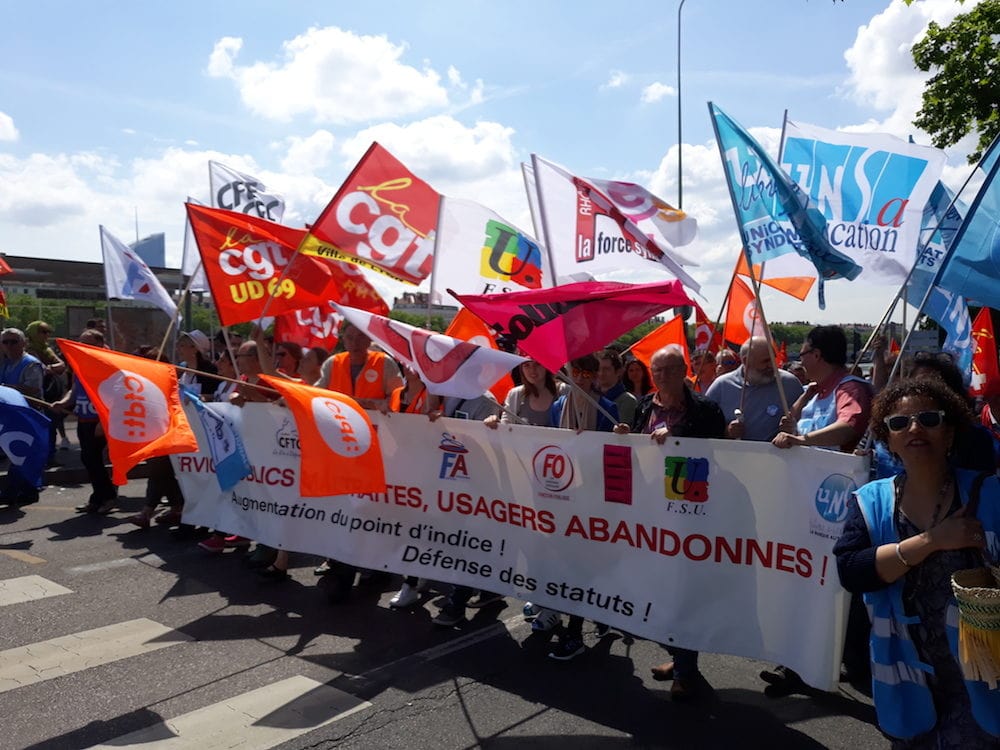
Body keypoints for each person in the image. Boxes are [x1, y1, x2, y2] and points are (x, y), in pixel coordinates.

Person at [834, 378, 1000, 747]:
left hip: (985, 676)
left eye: (928, 418)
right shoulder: (870, 501)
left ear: (950, 432)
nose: (914, 428)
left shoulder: (990, 492)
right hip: (907, 677)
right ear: (887, 439)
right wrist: (932, 541)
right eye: (898, 423)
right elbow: (852, 570)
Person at [771, 325, 875, 694]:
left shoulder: (849, 389)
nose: (801, 360)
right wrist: (799, 410)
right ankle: (807, 662)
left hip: (839, 508)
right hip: (813, 506)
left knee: (837, 589)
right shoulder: (818, 393)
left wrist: (802, 439)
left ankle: (852, 666)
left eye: (805, 353)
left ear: (819, 355)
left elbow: (848, 426)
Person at [433, 358, 566, 627]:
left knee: (548, 546)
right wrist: (495, 423)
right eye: (526, 365)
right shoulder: (515, 395)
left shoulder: (564, 393)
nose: (531, 370)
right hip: (518, 482)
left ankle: (552, 602)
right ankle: (537, 595)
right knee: (522, 543)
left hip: (554, 485)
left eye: (537, 364)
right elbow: (505, 430)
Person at [633, 344, 726, 700]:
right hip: (649, 510)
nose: (661, 377)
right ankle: (678, 655)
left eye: (670, 370)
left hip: (689, 511)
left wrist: (677, 442)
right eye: (656, 371)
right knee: (654, 589)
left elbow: (719, 456)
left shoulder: (704, 409)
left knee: (682, 593)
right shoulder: (644, 405)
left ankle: (686, 670)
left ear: (684, 370)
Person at [547, 354, 628, 661]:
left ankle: (575, 632)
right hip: (567, 496)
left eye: (585, 372)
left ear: (595, 376)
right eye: (574, 371)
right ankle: (593, 617)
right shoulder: (558, 407)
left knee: (586, 564)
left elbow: (614, 452)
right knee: (573, 565)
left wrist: (620, 435)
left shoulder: (606, 409)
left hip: (595, 499)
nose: (579, 378)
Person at [314, 323, 403, 600]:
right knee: (345, 508)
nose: (354, 342)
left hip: (375, 449)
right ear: (342, 339)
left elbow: (397, 398)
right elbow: (317, 395)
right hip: (340, 449)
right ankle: (343, 571)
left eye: (359, 337)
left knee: (369, 510)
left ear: (368, 338)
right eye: (349, 337)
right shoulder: (333, 364)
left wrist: (365, 403)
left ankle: (370, 567)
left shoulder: (384, 363)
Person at [50, 329, 117, 514]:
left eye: (87, 343)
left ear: (100, 344)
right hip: (83, 418)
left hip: (98, 421)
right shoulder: (80, 364)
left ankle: (108, 497)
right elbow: (74, 389)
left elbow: (115, 396)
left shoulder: (107, 366)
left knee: (94, 460)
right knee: (88, 459)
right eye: (81, 342)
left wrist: (103, 423)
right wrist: (63, 402)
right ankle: (98, 498)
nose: (83, 346)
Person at [705, 337, 803, 442]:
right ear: (746, 361)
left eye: (773, 359)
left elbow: (807, 424)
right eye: (766, 361)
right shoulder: (721, 386)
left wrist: (793, 429)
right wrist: (727, 432)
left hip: (779, 457)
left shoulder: (789, 384)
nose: (772, 365)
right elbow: (703, 426)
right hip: (733, 456)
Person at [0, 328, 45, 504]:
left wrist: (7, 387)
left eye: (14, 342)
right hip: (12, 414)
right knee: (17, 454)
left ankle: (17, 490)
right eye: (6, 342)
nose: (9, 346)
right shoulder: (6, 363)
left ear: (23, 343)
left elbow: (33, 388)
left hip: (29, 413)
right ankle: (25, 491)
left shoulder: (30, 363)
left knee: (21, 453)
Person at [26, 321, 69, 453]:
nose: (47, 335)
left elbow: (61, 365)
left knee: (53, 422)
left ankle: (50, 455)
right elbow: (39, 368)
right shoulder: (28, 350)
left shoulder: (47, 349)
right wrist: (50, 368)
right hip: (36, 393)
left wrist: (49, 368)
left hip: (51, 392)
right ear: (33, 334)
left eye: (48, 332)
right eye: (43, 332)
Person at [596, 349, 637, 428]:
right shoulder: (591, 396)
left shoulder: (627, 400)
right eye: (598, 369)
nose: (601, 373)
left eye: (606, 369)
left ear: (619, 372)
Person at [177, 330, 217, 398]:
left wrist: (198, 398)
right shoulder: (182, 371)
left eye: (182, 345)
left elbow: (215, 396)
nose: (178, 349)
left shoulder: (208, 372)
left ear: (195, 349)